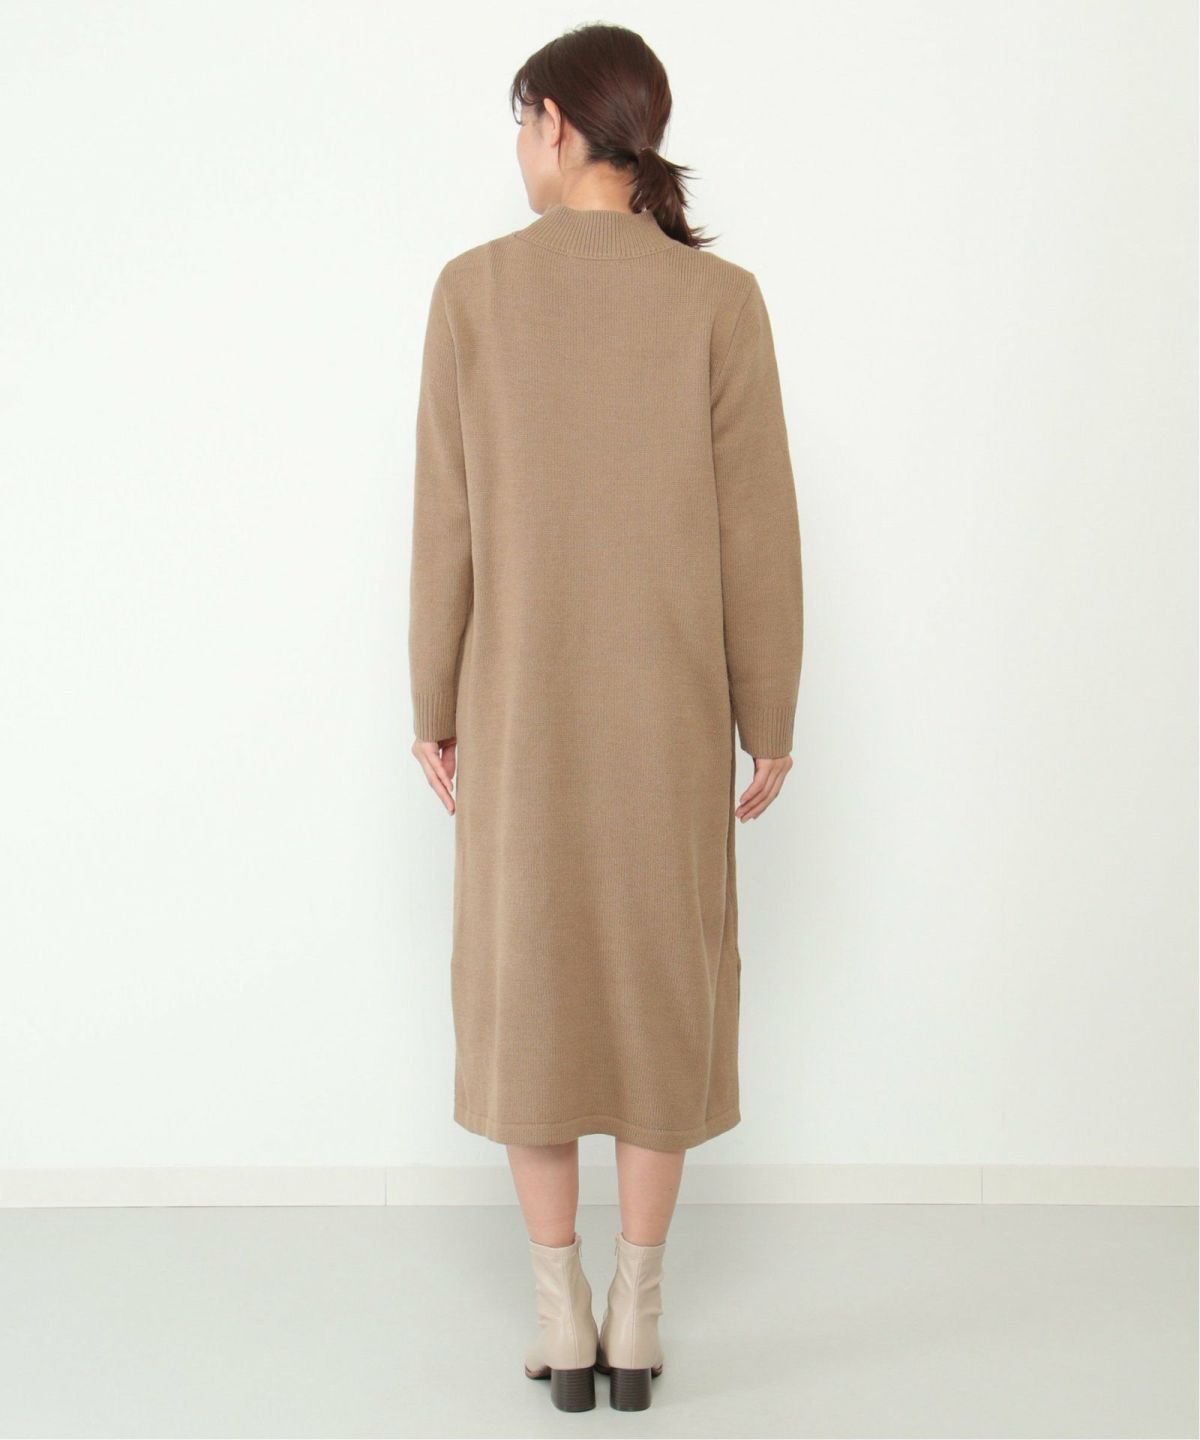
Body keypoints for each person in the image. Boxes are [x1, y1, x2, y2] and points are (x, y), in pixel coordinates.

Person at [408, 21, 804, 1413]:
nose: (519, 150)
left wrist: (431, 699)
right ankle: (638, 1311)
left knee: (530, 992)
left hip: (518, 711)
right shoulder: (720, 302)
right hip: (669, 715)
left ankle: (558, 1310)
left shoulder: (473, 292)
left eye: (522, 123)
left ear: (559, 125)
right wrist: (769, 715)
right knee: (654, 990)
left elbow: (446, 523)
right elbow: (759, 530)